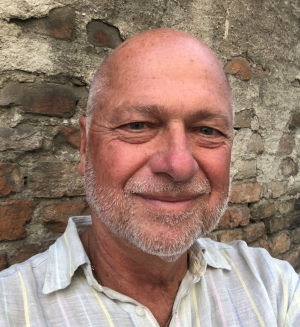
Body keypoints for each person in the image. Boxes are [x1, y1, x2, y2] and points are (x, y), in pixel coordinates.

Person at [0, 28, 299, 327]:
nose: (179, 165)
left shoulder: (275, 288)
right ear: (85, 146)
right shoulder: (11, 307)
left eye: (207, 131)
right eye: (137, 125)